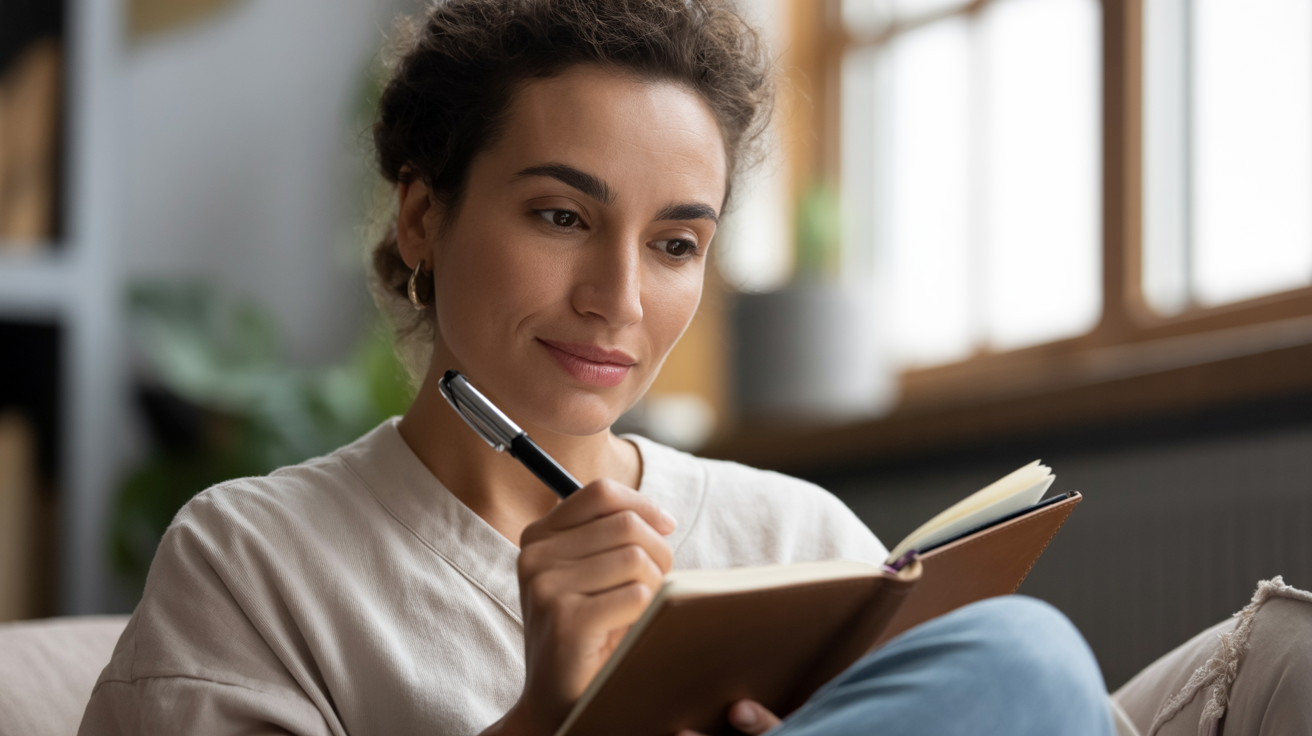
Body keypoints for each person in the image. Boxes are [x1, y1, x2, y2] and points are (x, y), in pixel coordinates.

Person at [78, 1, 1305, 735]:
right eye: (561, 216)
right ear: (420, 219)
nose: (619, 298)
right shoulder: (252, 559)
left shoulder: (795, 531)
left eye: (675, 243)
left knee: (1013, 655)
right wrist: (549, 716)